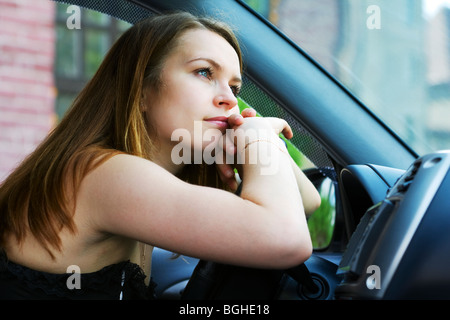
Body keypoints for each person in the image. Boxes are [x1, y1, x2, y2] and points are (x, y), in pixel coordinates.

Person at [0, 11, 321, 299]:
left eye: (235, 88)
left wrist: (249, 134)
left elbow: (307, 201)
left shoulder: (140, 175)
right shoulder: (105, 174)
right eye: (204, 72)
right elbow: (287, 240)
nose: (228, 99)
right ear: (141, 91)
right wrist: (260, 140)